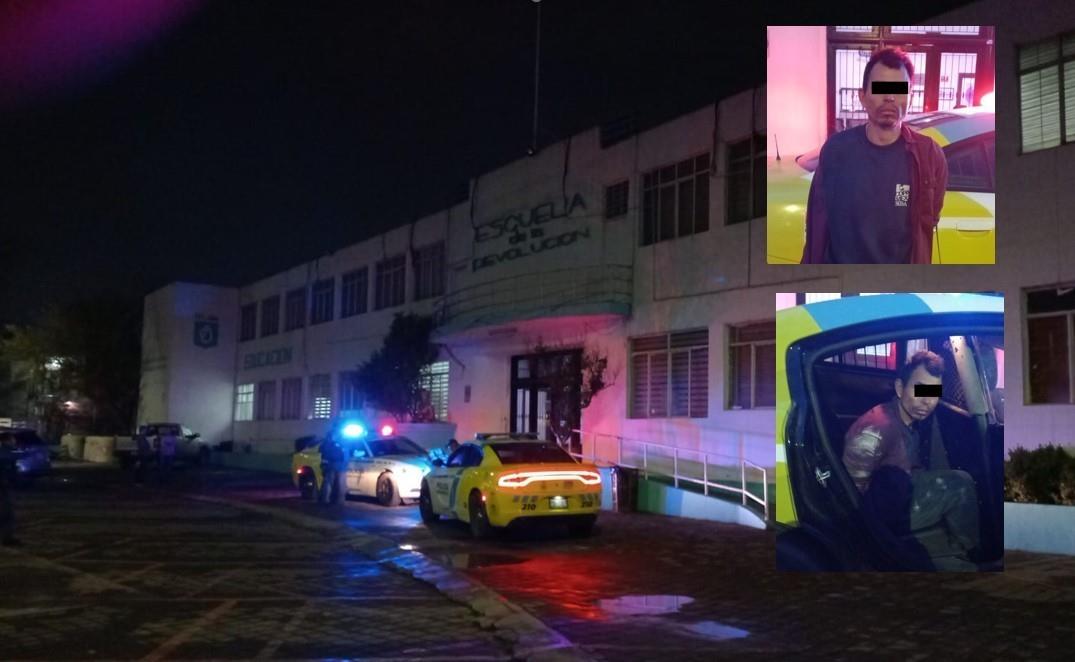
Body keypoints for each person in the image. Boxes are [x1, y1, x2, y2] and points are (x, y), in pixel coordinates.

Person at [801, 47, 948, 264]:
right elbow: (818, 220)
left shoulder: (929, 156)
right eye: (880, 89)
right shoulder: (836, 151)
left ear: (910, 97)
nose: (889, 97)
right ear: (863, 96)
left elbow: (929, 218)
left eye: (899, 90)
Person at [842, 350, 980, 570]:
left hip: (901, 490)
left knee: (955, 480)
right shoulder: (875, 431)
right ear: (899, 388)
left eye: (934, 393)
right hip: (885, 512)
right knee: (959, 484)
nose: (928, 401)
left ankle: (958, 548)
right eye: (920, 390)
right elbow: (851, 496)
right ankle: (969, 550)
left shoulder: (908, 417)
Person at [0, 432, 22, 546]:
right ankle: (7, 538)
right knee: (7, 513)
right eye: (12, 439)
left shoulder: (7, 452)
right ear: (7, 440)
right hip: (4, 487)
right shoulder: (5, 453)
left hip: (6, 486)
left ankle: (8, 537)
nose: (14, 441)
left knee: (7, 513)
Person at [318, 434, 346, 504]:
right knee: (332, 483)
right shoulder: (336, 444)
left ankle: (329, 499)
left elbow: (321, 452)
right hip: (334, 465)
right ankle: (332, 500)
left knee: (331, 483)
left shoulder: (327, 444)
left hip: (334, 465)